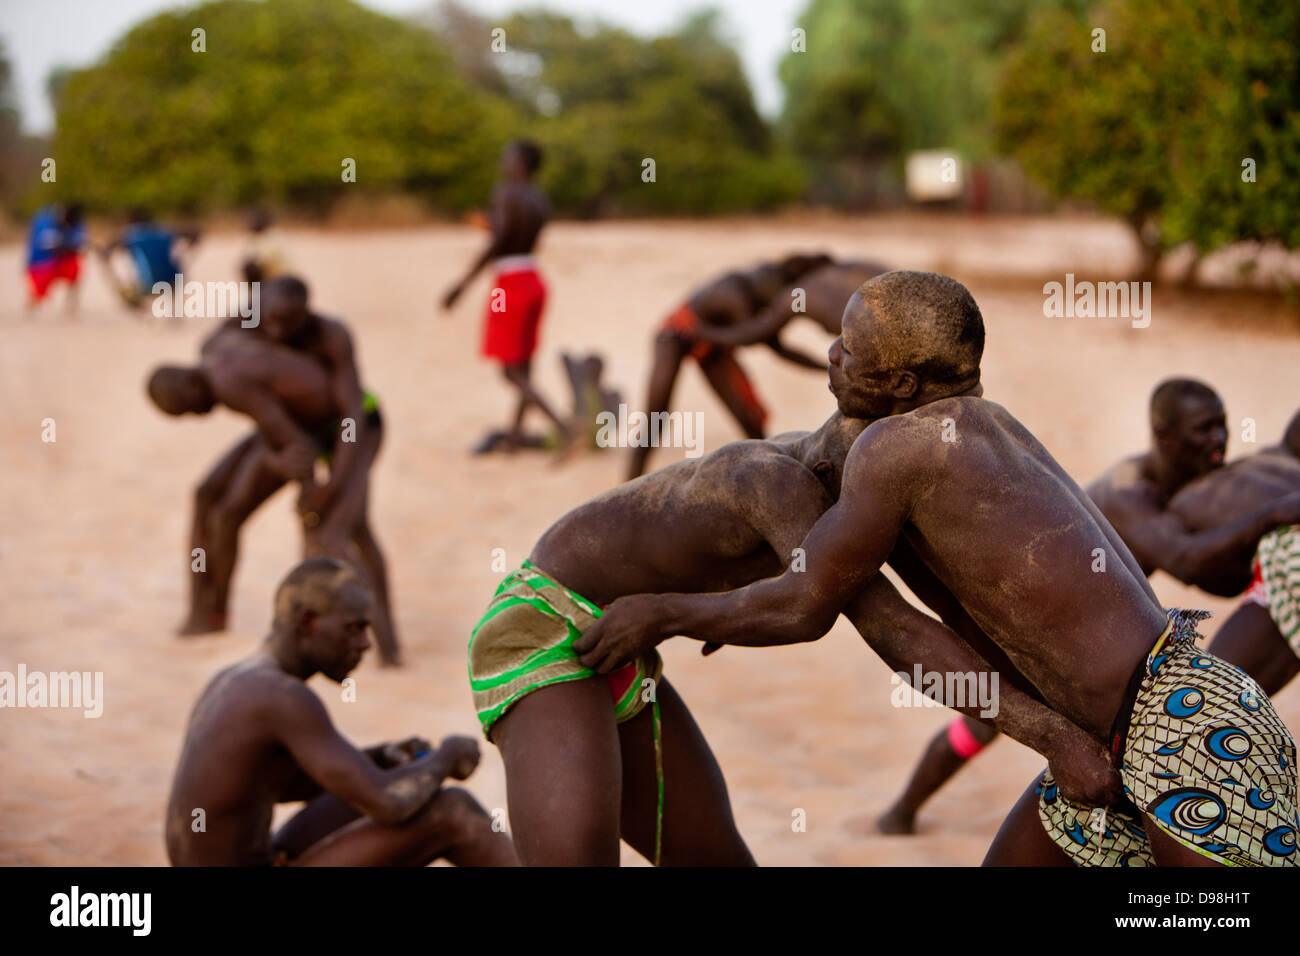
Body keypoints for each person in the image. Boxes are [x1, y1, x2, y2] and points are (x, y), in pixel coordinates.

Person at [577, 271, 1298, 867]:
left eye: (848, 351)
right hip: (1138, 726)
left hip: (1183, 737)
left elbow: (805, 605)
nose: (830, 355)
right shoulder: (984, 423)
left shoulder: (896, 452)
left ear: (899, 383)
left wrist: (663, 612)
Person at [470, 406, 1117, 865]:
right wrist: (1053, 736)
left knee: (716, 860)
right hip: (549, 626)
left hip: (626, 636)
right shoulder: (774, 480)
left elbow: (948, 614)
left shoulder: (853, 504)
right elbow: (863, 623)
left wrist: (1080, 713)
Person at [881, 382, 1300, 835]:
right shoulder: (1131, 494)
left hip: (1083, 624)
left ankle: (903, 811)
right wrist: (1273, 515)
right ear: (1165, 435)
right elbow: (1187, 558)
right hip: (1036, 618)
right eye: (1204, 430)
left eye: (1222, 425)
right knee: (993, 719)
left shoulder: (1192, 480)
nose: (1219, 439)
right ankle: (901, 811)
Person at [165, 557, 516, 866]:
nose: (365, 643)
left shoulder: (238, 680)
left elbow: (279, 784)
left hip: (256, 856)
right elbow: (388, 803)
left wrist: (381, 759)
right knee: (452, 813)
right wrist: (447, 757)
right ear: (307, 623)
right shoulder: (284, 697)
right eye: (354, 628)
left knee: (377, 790)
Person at [146, 277, 401, 665]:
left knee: (341, 530)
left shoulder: (329, 335)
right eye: (270, 322)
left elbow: (342, 416)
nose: (277, 332)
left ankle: (387, 647)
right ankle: (208, 613)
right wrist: (289, 467)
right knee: (210, 497)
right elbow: (275, 426)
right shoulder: (236, 331)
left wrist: (325, 488)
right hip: (301, 428)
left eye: (287, 322)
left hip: (352, 426)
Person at [626, 254, 877, 480]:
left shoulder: (760, 293)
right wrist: (699, 332)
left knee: (750, 419)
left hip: (711, 343)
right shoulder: (736, 296)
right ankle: (630, 481)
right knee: (655, 417)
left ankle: (764, 477)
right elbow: (756, 339)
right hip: (675, 335)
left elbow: (772, 343)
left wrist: (827, 366)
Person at [442, 139, 572, 455]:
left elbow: (499, 243)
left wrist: (461, 285)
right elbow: (516, 236)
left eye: (509, 158)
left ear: (522, 163)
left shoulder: (505, 193)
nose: (504, 162)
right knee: (524, 363)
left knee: (509, 371)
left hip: (507, 286)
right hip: (534, 281)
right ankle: (515, 435)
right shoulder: (540, 200)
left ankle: (565, 429)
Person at [100, 208, 200, 308]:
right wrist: (187, 250)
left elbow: (108, 251)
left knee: (126, 288)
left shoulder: (130, 234)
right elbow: (195, 232)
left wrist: (105, 255)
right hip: (174, 279)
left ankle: (137, 304)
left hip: (150, 284)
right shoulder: (164, 230)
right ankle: (173, 306)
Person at [25, 203, 86, 314]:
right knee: (39, 291)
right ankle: (31, 306)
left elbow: (80, 243)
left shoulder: (76, 224)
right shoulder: (45, 223)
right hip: (42, 264)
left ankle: (71, 306)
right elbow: (45, 245)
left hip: (60, 262)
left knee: (75, 269)